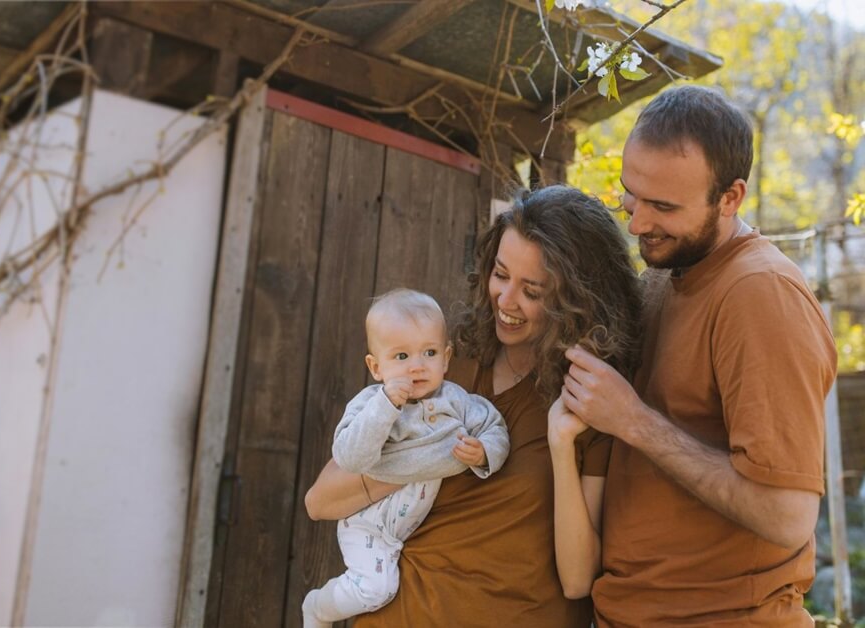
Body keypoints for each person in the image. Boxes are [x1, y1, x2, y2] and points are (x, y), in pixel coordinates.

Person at [558, 85, 838, 626]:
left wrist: (634, 421)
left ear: (730, 198)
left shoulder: (761, 295)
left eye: (663, 206)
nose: (637, 224)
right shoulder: (665, 271)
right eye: (631, 195)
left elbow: (788, 516)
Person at [305, 185, 643, 626]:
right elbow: (320, 501)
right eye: (501, 274)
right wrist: (432, 456)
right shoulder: (441, 368)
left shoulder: (591, 404)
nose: (505, 301)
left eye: (533, 291)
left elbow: (578, 581)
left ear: (576, 300)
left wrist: (561, 445)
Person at [302, 289, 509, 628]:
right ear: (375, 366)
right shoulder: (370, 405)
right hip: (367, 522)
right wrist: (385, 406)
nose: (416, 366)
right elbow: (350, 457)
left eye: (428, 353)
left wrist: (484, 452)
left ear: (445, 358)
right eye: (401, 357)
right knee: (376, 590)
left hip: (407, 530)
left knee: (393, 586)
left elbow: (493, 426)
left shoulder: (456, 401)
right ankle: (318, 607)